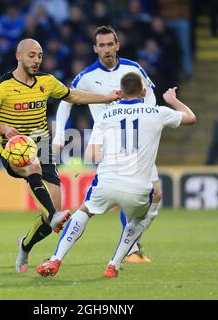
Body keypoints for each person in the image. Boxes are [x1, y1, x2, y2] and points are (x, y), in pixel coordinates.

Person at [0, 38, 120, 273]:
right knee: (33, 169)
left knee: (51, 215)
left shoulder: (47, 81)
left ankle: (25, 245)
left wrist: (107, 97)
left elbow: (72, 96)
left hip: (42, 146)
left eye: (40, 56)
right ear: (19, 56)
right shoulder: (1, 86)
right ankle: (53, 215)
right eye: (31, 55)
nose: (36, 60)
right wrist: (3, 129)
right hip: (14, 148)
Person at [37, 72, 196, 278]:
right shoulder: (158, 112)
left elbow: (91, 154)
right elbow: (191, 118)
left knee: (84, 212)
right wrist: (173, 100)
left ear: (120, 93)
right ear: (144, 91)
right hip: (138, 188)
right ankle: (114, 264)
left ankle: (56, 259)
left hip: (107, 183)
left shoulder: (106, 115)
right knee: (141, 216)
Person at [53, 25, 159, 263]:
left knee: (151, 195)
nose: (107, 49)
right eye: (102, 45)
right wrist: (60, 134)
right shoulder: (88, 77)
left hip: (138, 141)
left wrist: (147, 115)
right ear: (95, 49)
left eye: (110, 44)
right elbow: (66, 100)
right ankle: (128, 250)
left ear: (117, 45)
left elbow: (151, 94)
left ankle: (129, 245)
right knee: (128, 193)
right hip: (108, 142)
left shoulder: (133, 69)